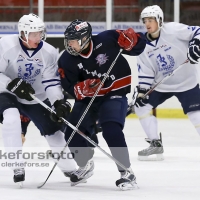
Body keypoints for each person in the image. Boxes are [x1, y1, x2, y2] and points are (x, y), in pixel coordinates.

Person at [57, 19, 146, 190]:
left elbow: (140, 44)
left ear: (85, 38)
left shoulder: (108, 39)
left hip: (114, 93)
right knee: (70, 131)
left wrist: (133, 41)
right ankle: (85, 164)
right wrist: (80, 89)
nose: (69, 44)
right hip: (89, 99)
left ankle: (126, 171)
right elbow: (68, 86)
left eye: (73, 40)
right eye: (68, 40)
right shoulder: (67, 59)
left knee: (111, 128)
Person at [0, 13, 78, 186]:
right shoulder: (5, 44)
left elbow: (50, 81)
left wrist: (57, 101)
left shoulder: (49, 52)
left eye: (40, 33)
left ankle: (71, 168)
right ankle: (17, 166)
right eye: (33, 34)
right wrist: (11, 83)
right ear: (23, 33)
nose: (38, 37)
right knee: (11, 118)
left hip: (36, 96)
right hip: (8, 92)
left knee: (54, 131)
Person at [132, 5, 200, 161]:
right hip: (161, 85)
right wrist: (142, 91)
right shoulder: (142, 45)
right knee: (141, 107)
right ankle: (155, 144)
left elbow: (198, 31)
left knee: (196, 115)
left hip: (186, 83)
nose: (147, 24)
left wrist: (196, 45)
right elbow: (146, 71)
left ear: (160, 20)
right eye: (145, 21)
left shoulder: (174, 30)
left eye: (151, 20)